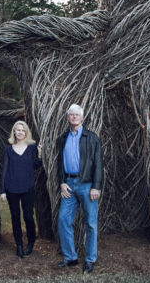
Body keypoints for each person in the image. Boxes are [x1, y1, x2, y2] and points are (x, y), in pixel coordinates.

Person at [56, 104, 103, 274]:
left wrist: (96, 187)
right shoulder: (62, 138)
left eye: (77, 114)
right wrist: (62, 182)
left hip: (87, 185)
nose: (74, 117)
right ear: (67, 117)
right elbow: (59, 163)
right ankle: (71, 257)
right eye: (71, 115)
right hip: (69, 184)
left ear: (82, 117)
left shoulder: (92, 138)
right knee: (63, 220)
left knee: (90, 223)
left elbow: (98, 164)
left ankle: (90, 259)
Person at [0, 120, 42, 259]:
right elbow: (4, 170)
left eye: (23, 130)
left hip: (27, 187)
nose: (20, 132)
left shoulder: (32, 147)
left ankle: (30, 242)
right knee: (15, 217)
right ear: (14, 131)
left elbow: (36, 165)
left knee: (28, 216)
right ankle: (18, 245)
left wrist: (40, 154)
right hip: (12, 188)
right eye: (18, 130)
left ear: (26, 132)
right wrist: (2, 190)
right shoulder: (8, 149)